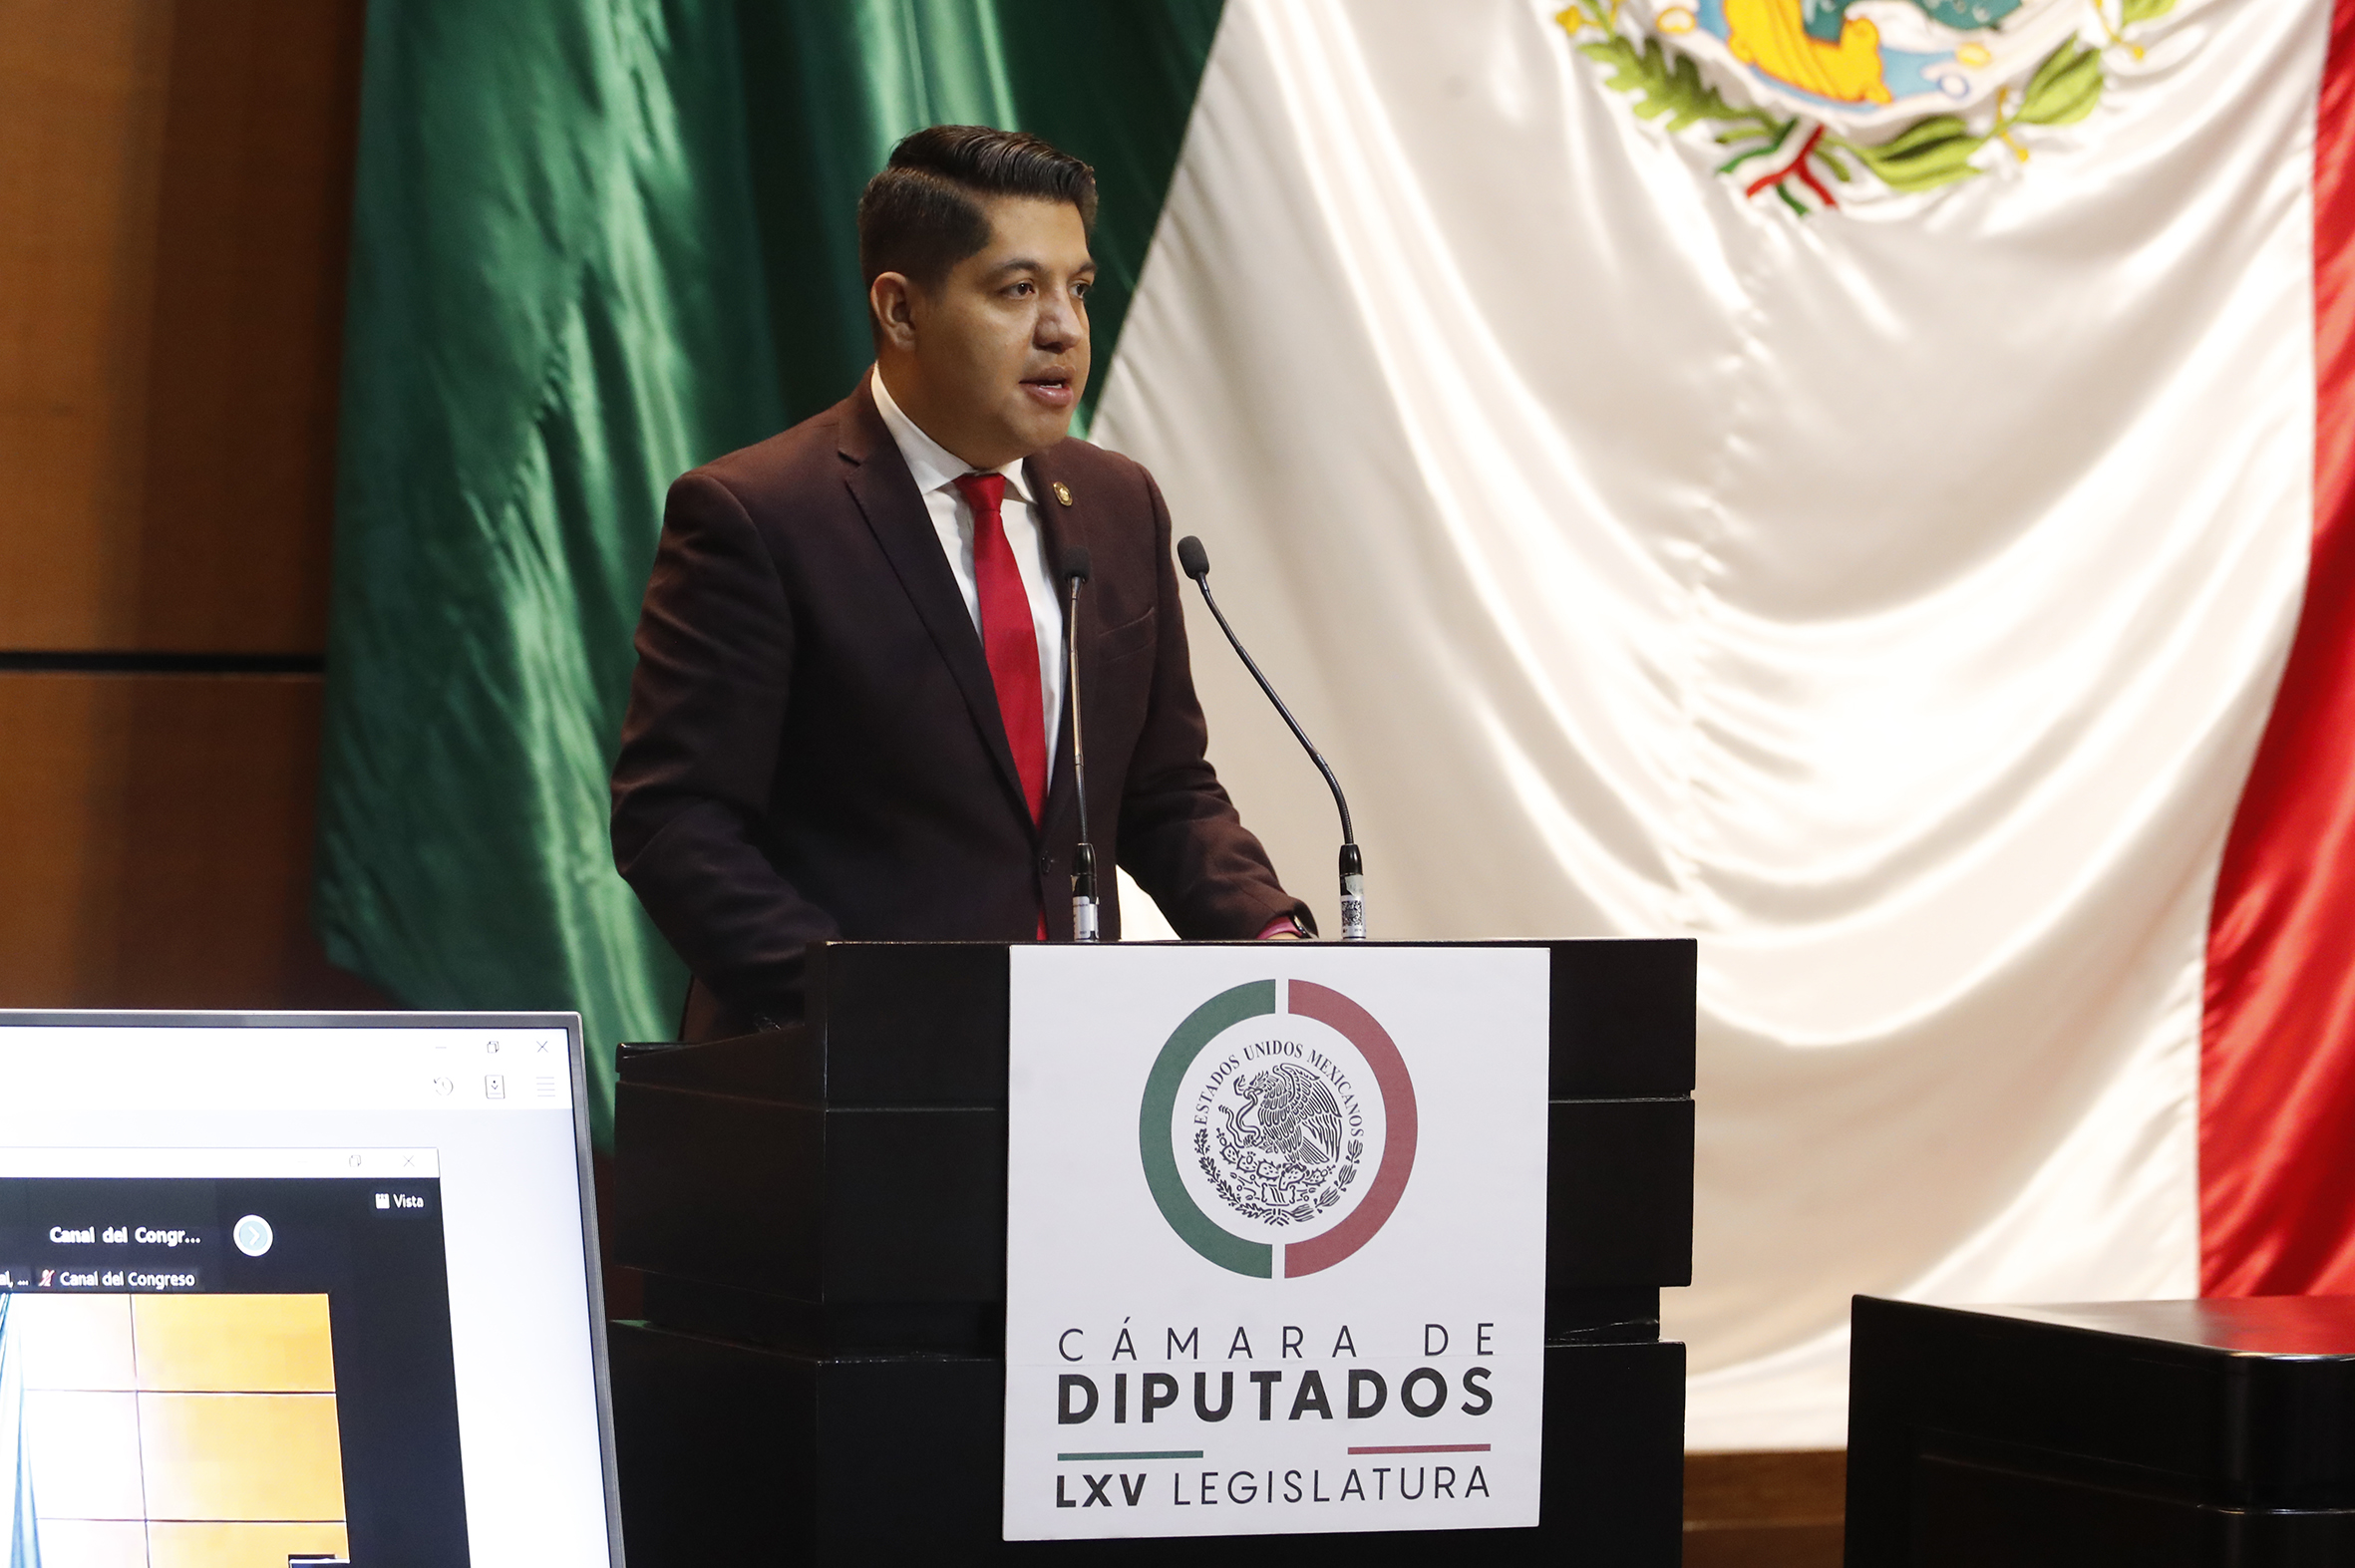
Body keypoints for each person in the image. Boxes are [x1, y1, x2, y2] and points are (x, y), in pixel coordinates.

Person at [610, 125, 1312, 1037]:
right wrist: (864, 1011)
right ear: (901, 311)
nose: (1063, 328)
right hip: (843, 1072)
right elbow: (677, 822)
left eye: (1078, 288)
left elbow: (1164, 790)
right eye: (1018, 289)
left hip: (1072, 1058)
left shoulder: (1118, 504)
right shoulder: (759, 515)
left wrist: (1272, 938)